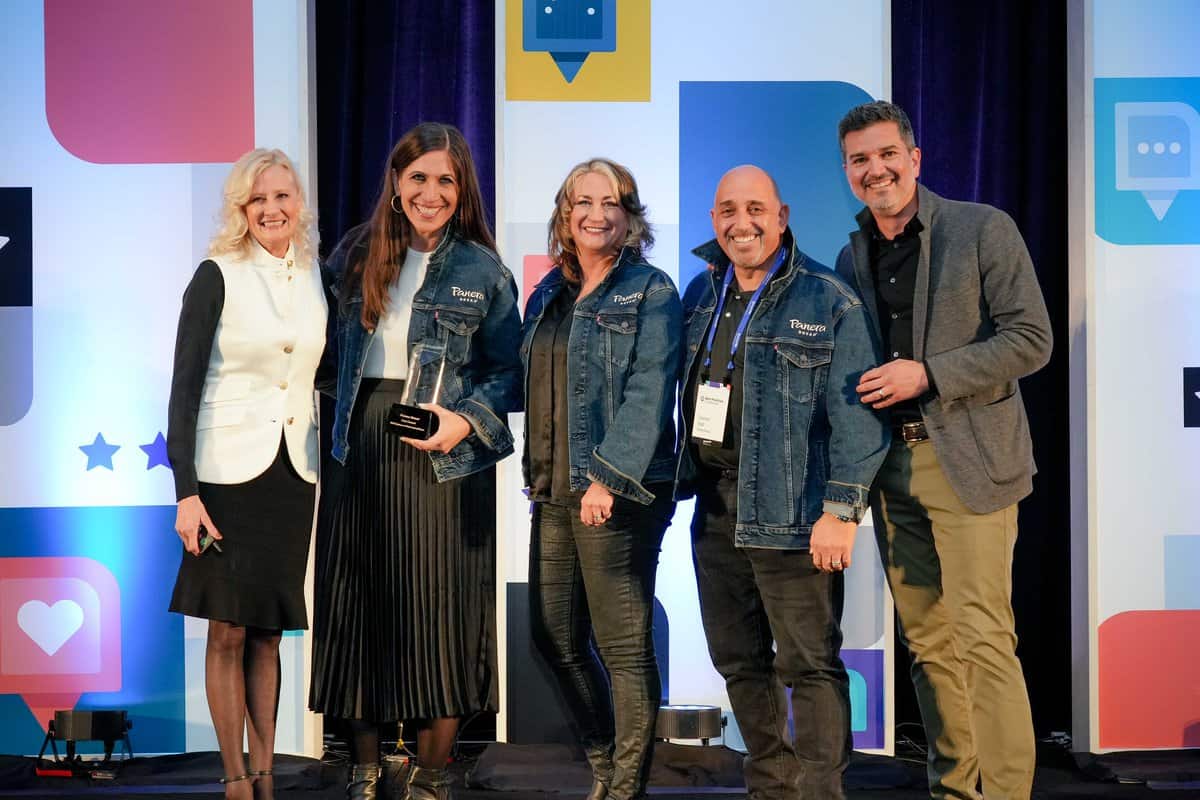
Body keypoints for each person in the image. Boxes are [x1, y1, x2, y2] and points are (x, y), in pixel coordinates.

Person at [835, 100, 1052, 800]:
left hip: (971, 463)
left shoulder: (983, 229)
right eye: (860, 160)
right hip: (891, 468)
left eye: (886, 154)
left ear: (915, 158)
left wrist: (928, 374)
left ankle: (1007, 793)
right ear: (848, 171)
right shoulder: (851, 252)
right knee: (928, 645)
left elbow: (1031, 340)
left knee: (984, 638)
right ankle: (956, 789)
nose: (876, 170)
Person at [309, 122, 522, 800]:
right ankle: (364, 768)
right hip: (360, 444)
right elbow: (318, 357)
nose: (430, 193)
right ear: (396, 183)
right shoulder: (351, 254)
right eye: (419, 178)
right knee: (359, 601)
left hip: (444, 455)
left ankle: (432, 773)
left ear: (462, 191)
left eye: (445, 181)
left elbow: (508, 372)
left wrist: (464, 421)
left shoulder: (483, 270)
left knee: (443, 607)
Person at [676, 165, 889, 799]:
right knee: (739, 663)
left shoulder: (828, 298)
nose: (742, 223)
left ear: (783, 214)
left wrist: (842, 511)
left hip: (795, 511)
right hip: (714, 505)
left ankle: (819, 793)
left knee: (810, 667)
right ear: (714, 219)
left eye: (756, 209)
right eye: (727, 210)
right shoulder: (701, 292)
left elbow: (857, 414)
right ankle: (771, 787)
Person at [167, 148, 327, 800]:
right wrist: (186, 492)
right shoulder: (216, 274)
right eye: (258, 200)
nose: (272, 209)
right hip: (226, 477)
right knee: (228, 629)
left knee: (269, 631)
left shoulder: (316, 275)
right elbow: (183, 389)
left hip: (293, 474)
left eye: (283, 197)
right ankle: (233, 776)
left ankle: (266, 770)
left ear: (299, 205)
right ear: (241, 209)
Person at [521, 159, 681, 800]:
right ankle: (604, 756)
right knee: (553, 636)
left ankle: (625, 787)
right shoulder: (547, 294)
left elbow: (651, 392)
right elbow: (524, 382)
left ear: (630, 216)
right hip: (553, 491)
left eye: (609, 202)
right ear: (565, 214)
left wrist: (608, 477)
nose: (595, 213)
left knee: (623, 646)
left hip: (620, 492)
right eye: (581, 201)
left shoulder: (652, 290)